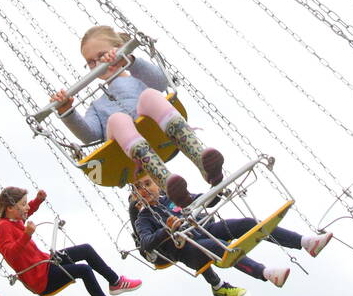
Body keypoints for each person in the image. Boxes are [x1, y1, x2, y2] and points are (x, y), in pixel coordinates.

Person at [52, 25, 224, 208]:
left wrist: (129, 60)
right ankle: (168, 182)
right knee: (117, 119)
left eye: (101, 56)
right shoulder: (98, 106)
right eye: (91, 63)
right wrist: (67, 111)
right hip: (126, 152)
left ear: (118, 48)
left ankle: (204, 162)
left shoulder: (139, 78)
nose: (98, 66)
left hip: (160, 133)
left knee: (150, 96)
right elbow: (89, 134)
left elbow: (161, 81)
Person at [129, 173, 331, 294]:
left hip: (206, 231)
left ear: (157, 183)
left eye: (148, 183)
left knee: (247, 224)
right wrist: (167, 229)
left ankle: (306, 242)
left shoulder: (173, 199)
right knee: (221, 247)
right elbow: (146, 243)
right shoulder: (144, 219)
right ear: (135, 195)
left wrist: (217, 190)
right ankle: (266, 273)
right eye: (139, 188)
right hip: (189, 250)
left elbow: (202, 200)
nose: (145, 189)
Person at [0, 186, 139, 296]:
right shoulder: (3, 227)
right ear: (11, 208)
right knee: (84, 270)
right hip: (41, 279)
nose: (27, 207)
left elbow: (26, 213)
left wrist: (37, 201)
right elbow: (10, 254)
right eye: (24, 204)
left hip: (45, 263)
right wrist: (27, 235)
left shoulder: (14, 218)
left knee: (85, 249)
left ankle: (115, 282)